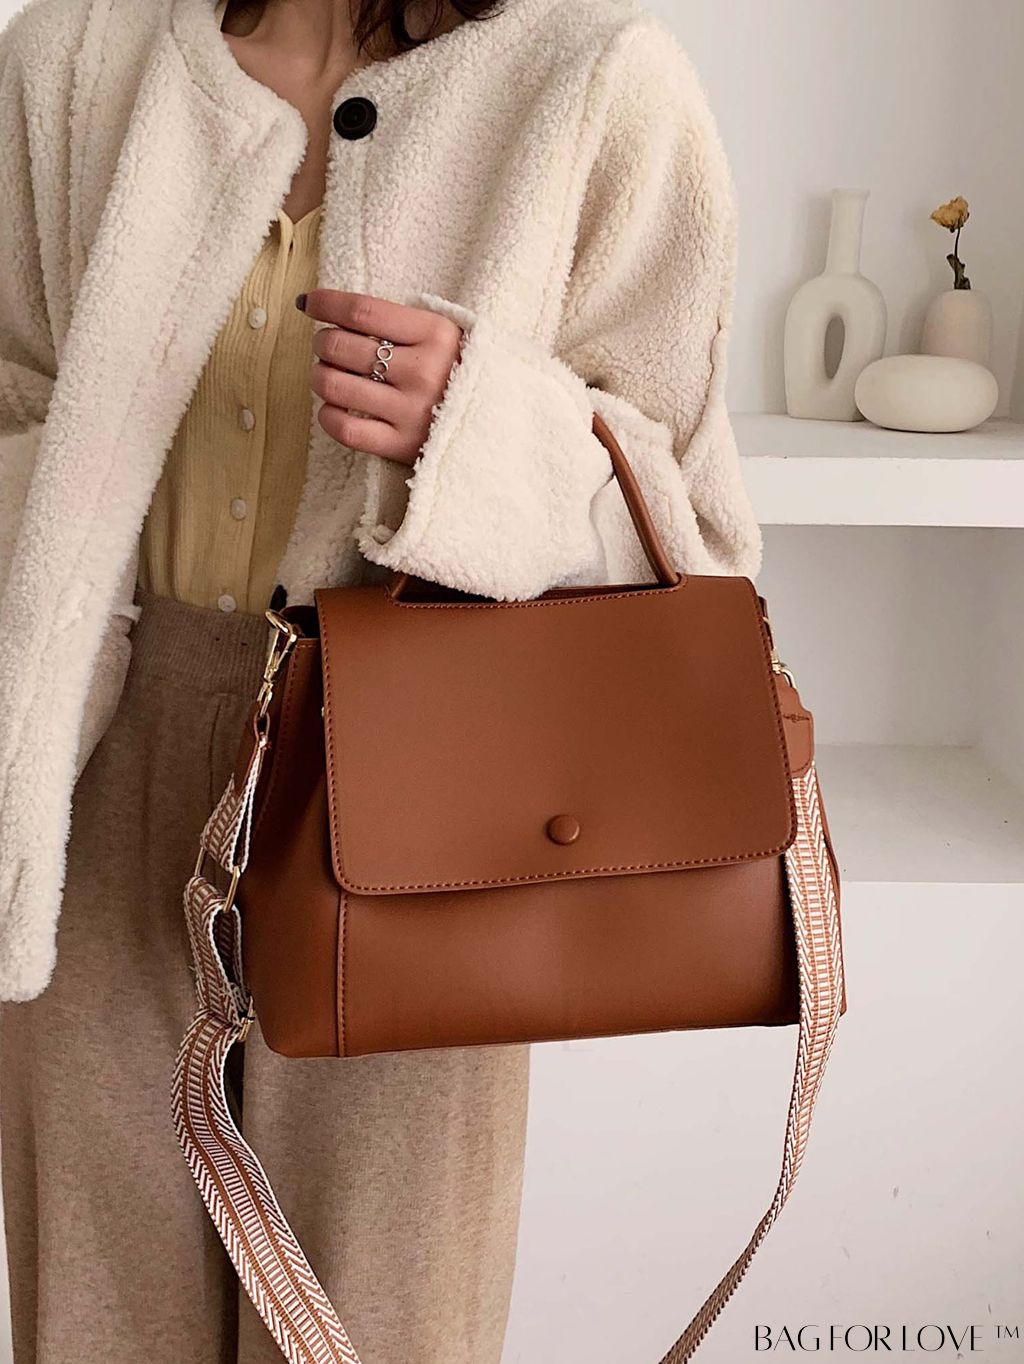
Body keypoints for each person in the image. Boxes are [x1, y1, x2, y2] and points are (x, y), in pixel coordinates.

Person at [0, 0, 762, 1358]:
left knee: (386, 1315)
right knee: (95, 1308)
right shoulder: (73, 56)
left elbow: (692, 530)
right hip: (95, 764)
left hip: (418, 788)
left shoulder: (592, 80)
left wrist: (479, 428)